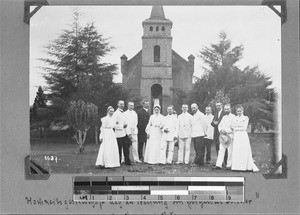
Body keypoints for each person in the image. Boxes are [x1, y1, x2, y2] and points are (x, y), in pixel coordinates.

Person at [231, 106, 259, 172]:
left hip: (243, 135)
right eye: (238, 111)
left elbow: (244, 127)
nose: (239, 112)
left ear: (242, 111)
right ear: (236, 111)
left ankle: (244, 166)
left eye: (240, 111)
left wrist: (236, 128)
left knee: (243, 149)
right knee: (237, 149)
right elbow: (232, 126)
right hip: (237, 135)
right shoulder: (235, 118)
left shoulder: (245, 118)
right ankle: (237, 166)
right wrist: (236, 127)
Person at [214, 104, 235, 170]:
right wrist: (221, 130)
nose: (226, 110)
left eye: (227, 109)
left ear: (230, 109)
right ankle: (218, 164)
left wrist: (227, 131)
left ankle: (229, 165)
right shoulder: (224, 117)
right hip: (223, 136)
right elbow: (220, 125)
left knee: (229, 150)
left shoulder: (233, 117)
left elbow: (233, 127)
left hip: (229, 135)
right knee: (221, 150)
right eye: (225, 109)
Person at [113, 100, 131, 166]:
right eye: (120, 104)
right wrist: (121, 126)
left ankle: (127, 162)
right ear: (117, 104)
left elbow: (127, 124)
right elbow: (113, 125)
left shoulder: (124, 113)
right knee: (119, 149)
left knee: (126, 148)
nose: (122, 105)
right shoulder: (115, 113)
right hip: (118, 134)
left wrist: (129, 133)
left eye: (123, 104)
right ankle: (118, 162)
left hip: (125, 133)